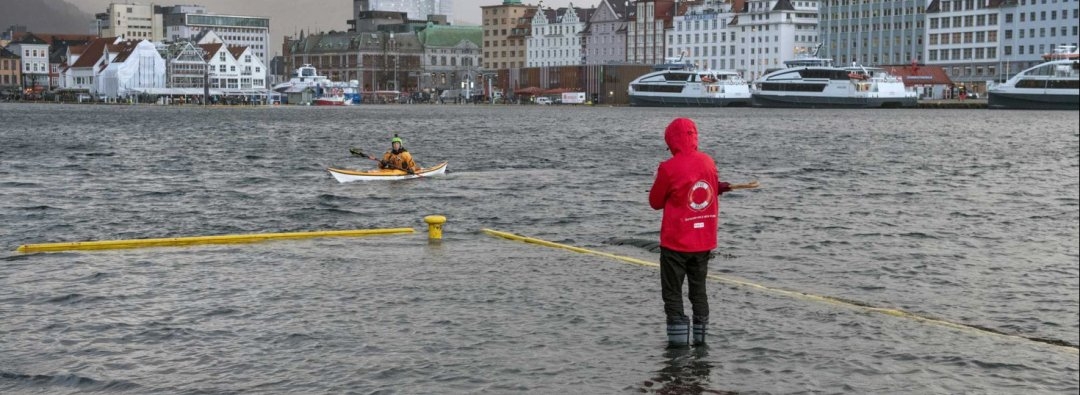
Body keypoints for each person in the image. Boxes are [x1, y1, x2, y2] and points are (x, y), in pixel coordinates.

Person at [648, 117, 759, 347]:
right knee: (699, 292)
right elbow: (708, 188)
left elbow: (655, 202)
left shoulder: (668, 168)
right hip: (703, 242)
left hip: (675, 244)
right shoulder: (708, 162)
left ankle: (677, 349)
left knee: (673, 293)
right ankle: (701, 343)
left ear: (671, 142)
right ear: (694, 137)